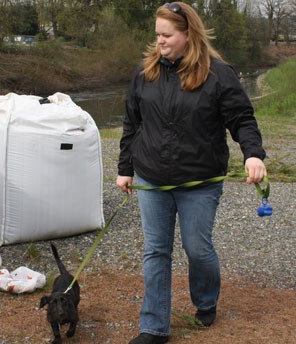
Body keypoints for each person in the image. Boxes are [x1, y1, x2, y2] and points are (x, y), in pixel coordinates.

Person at [116, 2, 267, 344]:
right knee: (156, 251)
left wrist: (253, 155)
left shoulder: (218, 73)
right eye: (157, 35)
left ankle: (205, 300)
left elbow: (242, 118)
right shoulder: (145, 72)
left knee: (197, 248)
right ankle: (153, 328)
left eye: (167, 35)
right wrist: (125, 169)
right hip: (151, 178)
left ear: (188, 35)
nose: (160, 42)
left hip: (199, 181)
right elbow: (131, 123)